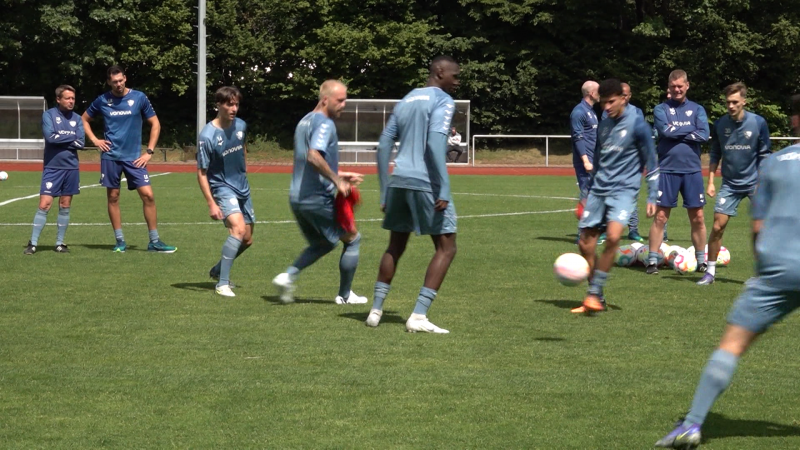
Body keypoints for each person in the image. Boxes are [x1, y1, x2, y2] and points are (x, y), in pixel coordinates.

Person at [654, 143, 800, 448]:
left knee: (731, 345)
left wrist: (764, 272)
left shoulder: (775, 162)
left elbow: (758, 227)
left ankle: (692, 423)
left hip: (779, 269)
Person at [364, 55, 460, 334]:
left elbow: (383, 145)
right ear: (439, 72)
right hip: (424, 182)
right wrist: (442, 186)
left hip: (398, 182)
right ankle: (418, 316)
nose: (457, 81)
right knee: (447, 246)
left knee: (396, 244)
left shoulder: (406, 99)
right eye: (454, 75)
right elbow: (433, 144)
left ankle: (376, 309)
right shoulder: (443, 101)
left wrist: (384, 189)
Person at [272, 80, 367, 305]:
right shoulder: (325, 123)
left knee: (323, 243)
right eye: (340, 100)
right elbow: (314, 156)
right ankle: (344, 295)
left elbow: (310, 161)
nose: (344, 104)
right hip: (315, 197)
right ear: (325, 99)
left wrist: (339, 173)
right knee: (352, 238)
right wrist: (337, 181)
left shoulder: (304, 121)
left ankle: (287, 276)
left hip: (297, 198)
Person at [571, 78, 658, 314]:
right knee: (585, 244)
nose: (607, 107)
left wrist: (652, 196)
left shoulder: (639, 124)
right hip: (599, 188)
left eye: (611, 102)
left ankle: (593, 292)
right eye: (603, 103)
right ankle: (597, 296)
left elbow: (652, 161)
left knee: (612, 237)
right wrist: (588, 192)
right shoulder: (605, 123)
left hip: (624, 189)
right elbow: (598, 158)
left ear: (623, 98)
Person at [81, 65, 176, 253]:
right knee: (113, 197)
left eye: (121, 80)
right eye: (114, 81)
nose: (118, 84)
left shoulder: (139, 97)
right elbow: (83, 119)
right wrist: (94, 140)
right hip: (111, 156)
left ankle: (154, 241)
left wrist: (149, 152)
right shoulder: (102, 100)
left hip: (135, 158)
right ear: (109, 82)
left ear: (125, 78)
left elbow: (155, 123)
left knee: (148, 195)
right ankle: (120, 241)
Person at [697, 82, 771, 286]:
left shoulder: (758, 123)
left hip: (755, 183)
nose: (731, 106)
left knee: (759, 230)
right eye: (728, 102)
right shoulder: (721, 124)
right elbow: (715, 153)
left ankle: (760, 276)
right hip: (729, 184)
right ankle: (710, 272)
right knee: (718, 226)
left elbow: (765, 155)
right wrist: (711, 181)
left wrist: (761, 182)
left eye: (735, 102)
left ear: (744, 101)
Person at [646, 70, 709, 275]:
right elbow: (665, 132)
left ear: (687, 85)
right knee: (661, 217)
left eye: (680, 86)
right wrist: (690, 130)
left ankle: (702, 261)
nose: (677, 89)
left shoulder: (697, 108)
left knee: (698, 217)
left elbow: (704, 134)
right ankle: (652, 261)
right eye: (673, 86)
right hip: (667, 170)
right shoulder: (660, 109)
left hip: (691, 170)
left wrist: (676, 131)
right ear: (669, 87)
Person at [196, 86, 254, 298]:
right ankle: (222, 284)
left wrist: (244, 171)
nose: (234, 108)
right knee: (237, 230)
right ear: (218, 105)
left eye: (236, 104)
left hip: (242, 186)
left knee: (247, 239)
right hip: (222, 187)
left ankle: (218, 269)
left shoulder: (241, 125)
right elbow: (201, 173)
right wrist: (211, 202)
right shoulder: (207, 136)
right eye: (229, 104)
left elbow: (242, 148)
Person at [24, 85, 85, 255]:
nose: (71, 101)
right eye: (68, 98)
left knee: (65, 205)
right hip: (52, 167)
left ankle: (60, 243)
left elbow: (81, 143)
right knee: (45, 204)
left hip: (71, 168)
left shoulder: (78, 119)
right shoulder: (49, 115)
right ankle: (33, 243)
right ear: (58, 99)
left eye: (73, 98)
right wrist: (71, 137)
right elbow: (50, 137)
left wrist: (62, 137)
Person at [600, 82, 647, 243]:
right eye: (622, 94)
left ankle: (633, 230)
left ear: (629, 96)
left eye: (627, 95)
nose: (624, 97)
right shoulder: (608, 112)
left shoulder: (637, 112)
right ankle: (607, 230)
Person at [571, 81, 599, 243]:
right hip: (586, 163)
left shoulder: (591, 112)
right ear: (591, 93)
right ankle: (582, 234)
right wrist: (586, 161)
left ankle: (592, 230)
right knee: (586, 195)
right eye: (598, 91)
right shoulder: (579, 112)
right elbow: (578, 137)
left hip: (594, 160)